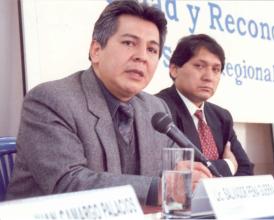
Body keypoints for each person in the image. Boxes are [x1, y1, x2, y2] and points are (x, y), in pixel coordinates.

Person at [6, 0, 213, 205]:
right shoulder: (50, 100)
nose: (142, 57)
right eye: (129, 43)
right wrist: (162, 187)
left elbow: (174, 172)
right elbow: (68, 183)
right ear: (96, 51)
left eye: (151, 49)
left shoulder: (155, 109)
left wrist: (189, 176)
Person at [156, 34, 254, 177]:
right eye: (199, 66)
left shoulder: (222, 116)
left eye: (216, 69)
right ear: (174, 69)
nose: (208, 77)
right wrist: (229, 165)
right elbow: (178, 173)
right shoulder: (159, 110)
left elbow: (245, 169)